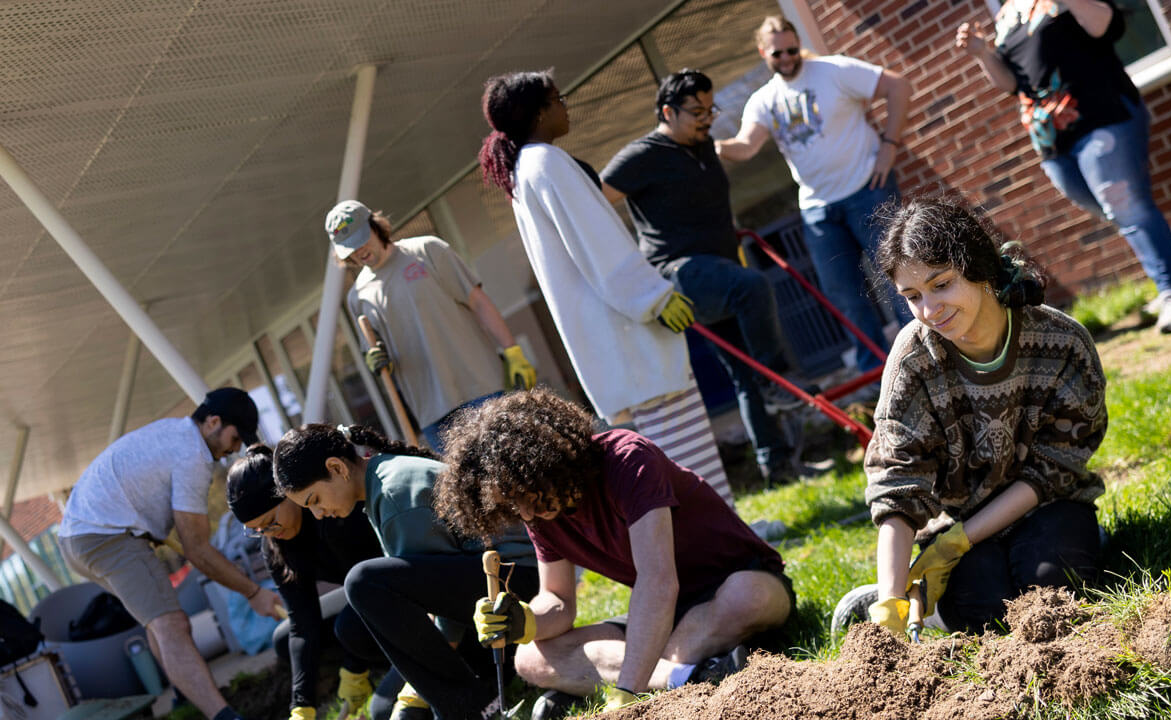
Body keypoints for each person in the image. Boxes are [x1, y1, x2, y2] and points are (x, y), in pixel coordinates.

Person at [830, 197, 1106, 637]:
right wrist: (890, 603)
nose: (928, 310)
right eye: (912, 296)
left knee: (1055, 590)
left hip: (1046, 505)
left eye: (941, 284)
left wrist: (965, 539)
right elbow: (897, 488)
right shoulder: (913, 363)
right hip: (952, 524)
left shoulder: (1063, 343)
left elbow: (1056, 466)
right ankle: (917, 601)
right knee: (987, 614)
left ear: (979, 270)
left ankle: (1081, 546)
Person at [433, 388, 795, 719]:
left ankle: (623, 678)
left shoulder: (628, 459)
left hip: (739, 581)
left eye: (528, 496)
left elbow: (658, 580)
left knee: (747, 597)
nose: (526, 513)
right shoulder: (539, 508)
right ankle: (691, 674)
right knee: (529, 657)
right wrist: (523, 620)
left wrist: (626, 690)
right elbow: (557, 599)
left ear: (548, 463)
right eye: (512, 504)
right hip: (663, 616)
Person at [477, 70, 734, 506]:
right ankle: (726, 539)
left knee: (656, 467)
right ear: (538, 113)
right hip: (631, 338)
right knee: (686, 459)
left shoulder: (524, 171)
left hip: (608, 349)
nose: (565, 106)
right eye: (558, 99)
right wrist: (654, 297)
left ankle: (705, 545)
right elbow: (599, 244)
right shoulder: (546, 162)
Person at [600, 69, 811, 487]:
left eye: (710, 109)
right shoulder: (642, 155)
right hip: (678, 274)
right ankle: (781, 380)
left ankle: (778, 465)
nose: (707, 118)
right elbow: (594, 202)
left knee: (745, 373)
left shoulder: (705, 148)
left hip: (719, 269)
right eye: (696, 111)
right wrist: (622, 268)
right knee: (754, 286)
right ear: (667, 111)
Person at [954, 0, 1171, 332]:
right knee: (1116, 210)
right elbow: (1013, 85)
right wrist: (982, 53)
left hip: (1102, 113)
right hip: (1051, 137)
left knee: (1124, 205)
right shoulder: (1008, 15)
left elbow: (1107, 25)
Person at [272, 423, 539, 720]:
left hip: (515, 583)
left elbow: (443, 605)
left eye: (315, 501)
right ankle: (480, 688)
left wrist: (428, 690)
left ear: (336, 468)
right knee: (383, 708)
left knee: (362, 583)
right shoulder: (380, 480)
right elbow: (437, 589)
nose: (318, 514)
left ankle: (471, 709)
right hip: (484, 591)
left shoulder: (394, 493)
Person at [717, 15, 914, 393]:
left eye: (793, 49)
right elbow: (745, 146)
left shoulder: (833, 70)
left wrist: (889, 148)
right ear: (763, 53)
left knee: (899, 275)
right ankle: (877, 374)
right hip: (818, 208)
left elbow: (898, 86)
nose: (788, 57)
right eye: (778, 52)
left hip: (868, 189)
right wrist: (709, 145)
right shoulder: (763, 100)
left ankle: (924, 353)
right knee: (842, 292)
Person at [57, 388, 279, 720]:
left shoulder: (172, 432)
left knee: (159, 622)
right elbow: (197, 550)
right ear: (213, 422)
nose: (234, 449)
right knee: (172, 623)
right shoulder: (193, 455)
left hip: (78, 537)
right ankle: (224, 716)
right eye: (235, 438)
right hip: (106, 537)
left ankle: (182, 698)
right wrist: (252, 592)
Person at [329, 199, 536, 452]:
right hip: (433, 415)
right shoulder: (357, 297)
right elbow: (378, 354)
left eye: (362, 239)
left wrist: (512, 350)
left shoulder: (427, 250)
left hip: (480, 389)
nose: (359, 250)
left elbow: (478, 302)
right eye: (350, 248)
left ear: (375, 226)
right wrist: (377, 361)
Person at [226, 445, 401, 720]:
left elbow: (375, 583)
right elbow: (302, 623)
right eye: (259, 530)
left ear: (287, 493)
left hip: (395, 591)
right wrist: (301, 705)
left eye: (271, 521)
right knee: (286, 639)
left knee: (350, 627)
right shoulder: (275, 546)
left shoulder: (330, 511)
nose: (270, 533)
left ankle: (375, 665)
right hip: (363, 600)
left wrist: (353, 667)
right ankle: (373, 666)